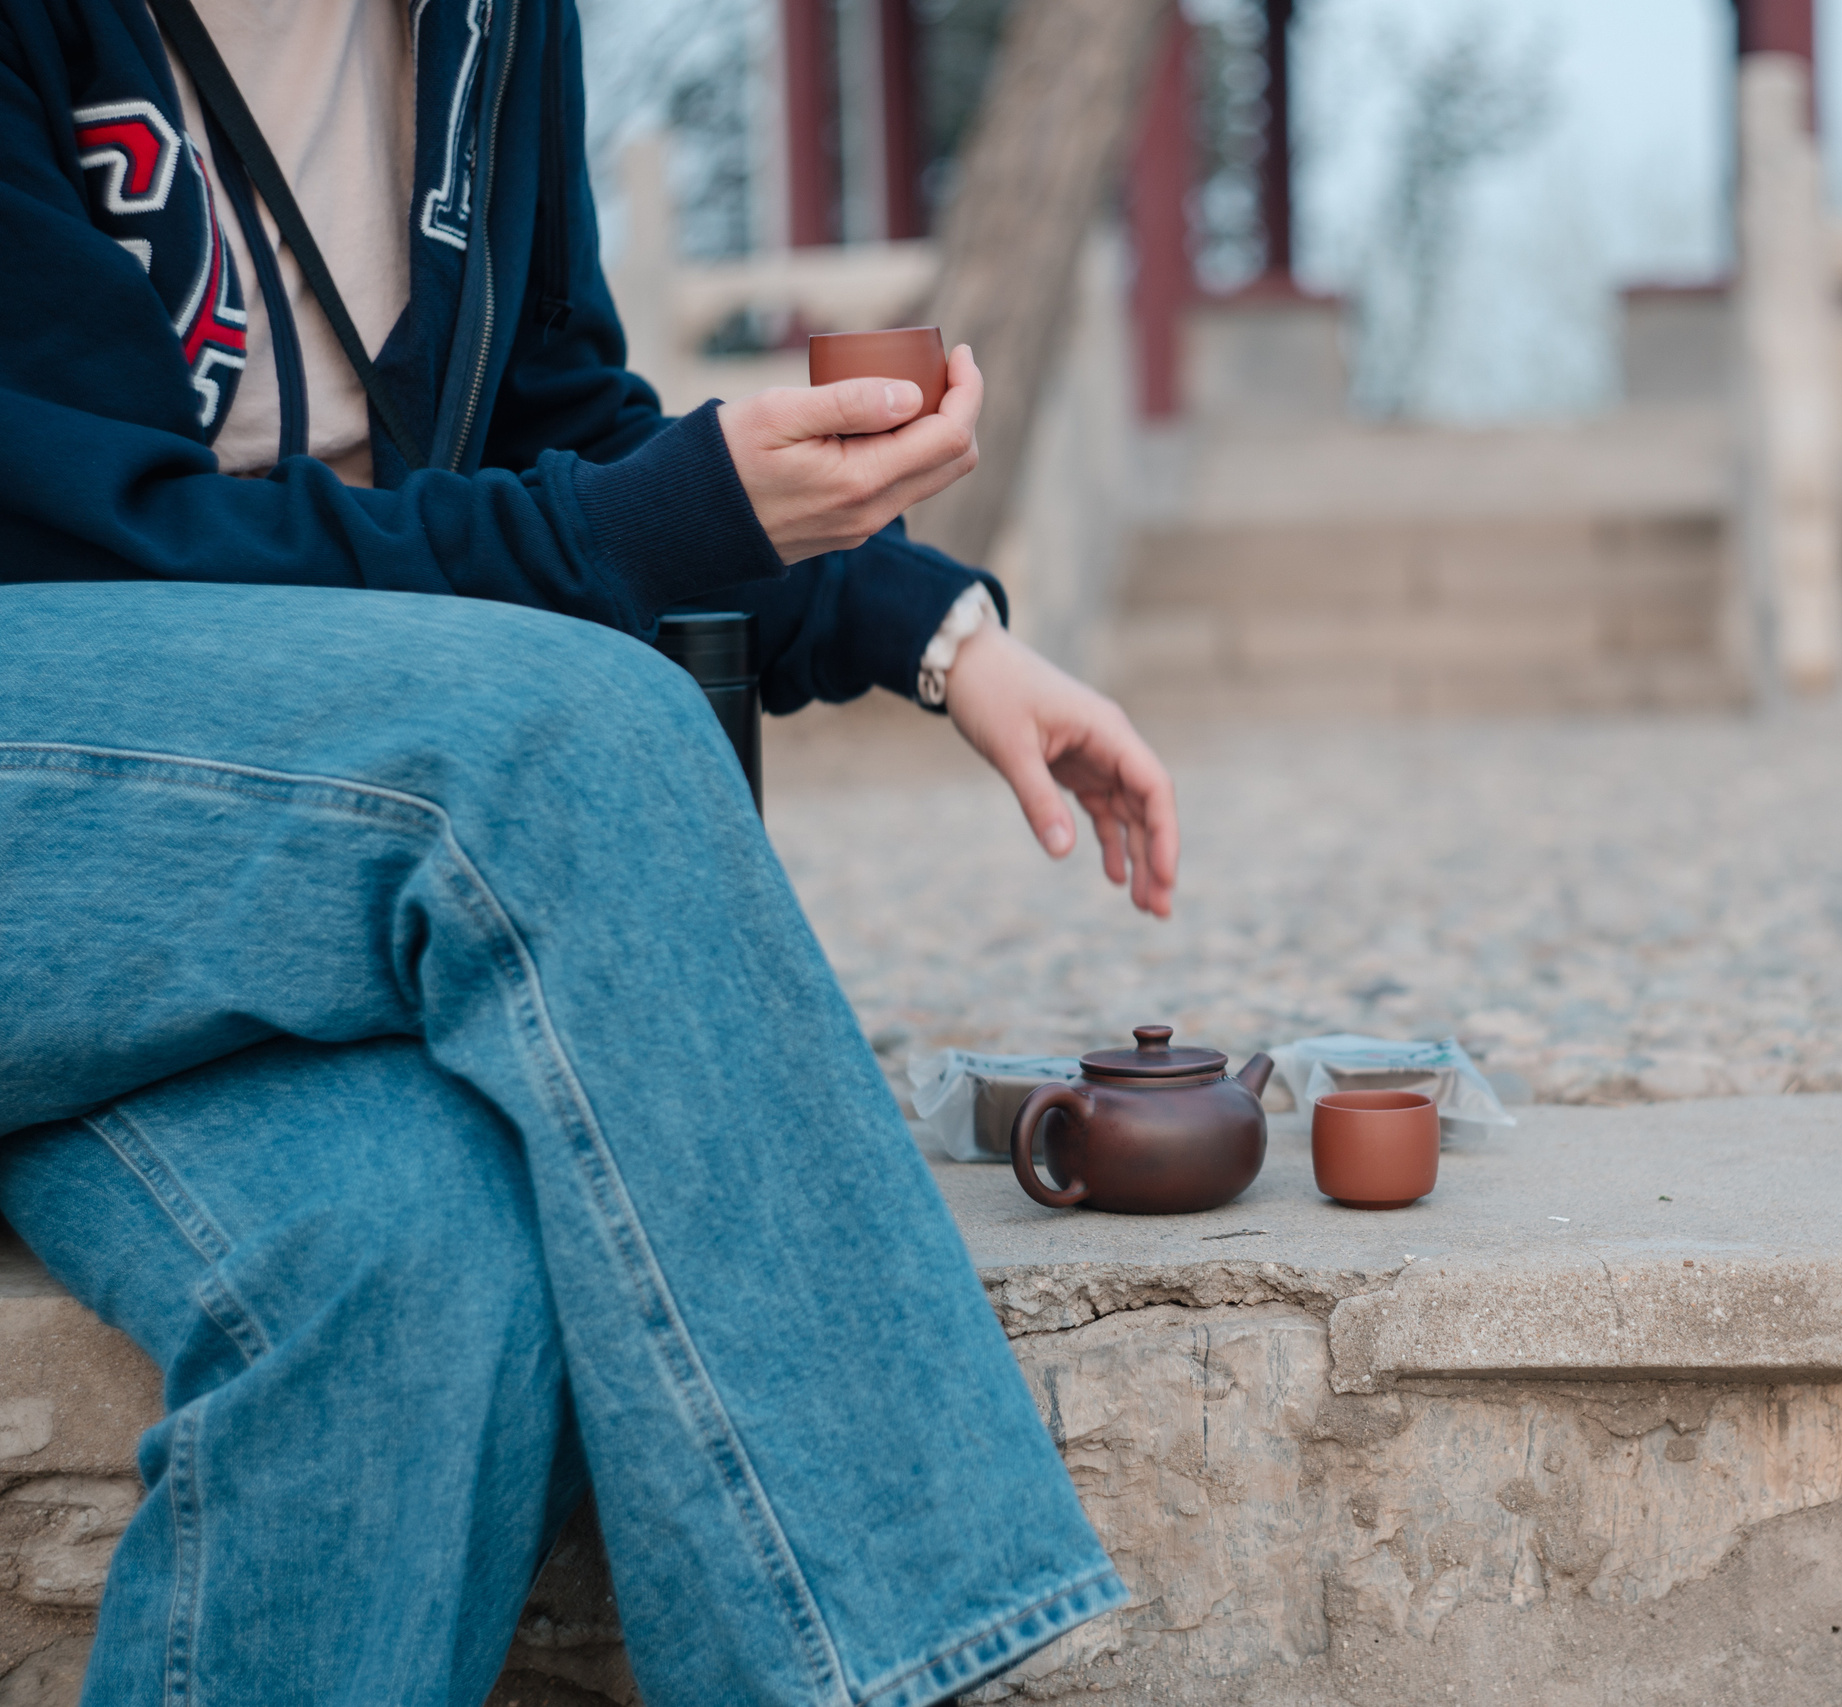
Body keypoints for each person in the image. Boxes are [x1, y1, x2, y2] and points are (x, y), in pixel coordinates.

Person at [0, 0, 1175, 1694]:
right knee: (576, 731)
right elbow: (114, 561)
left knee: (418, 1262)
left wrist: (926, 628)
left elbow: (550, 414)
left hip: (252, 859)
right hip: (68, 792)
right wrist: (645, 524)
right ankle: (895, 1670)